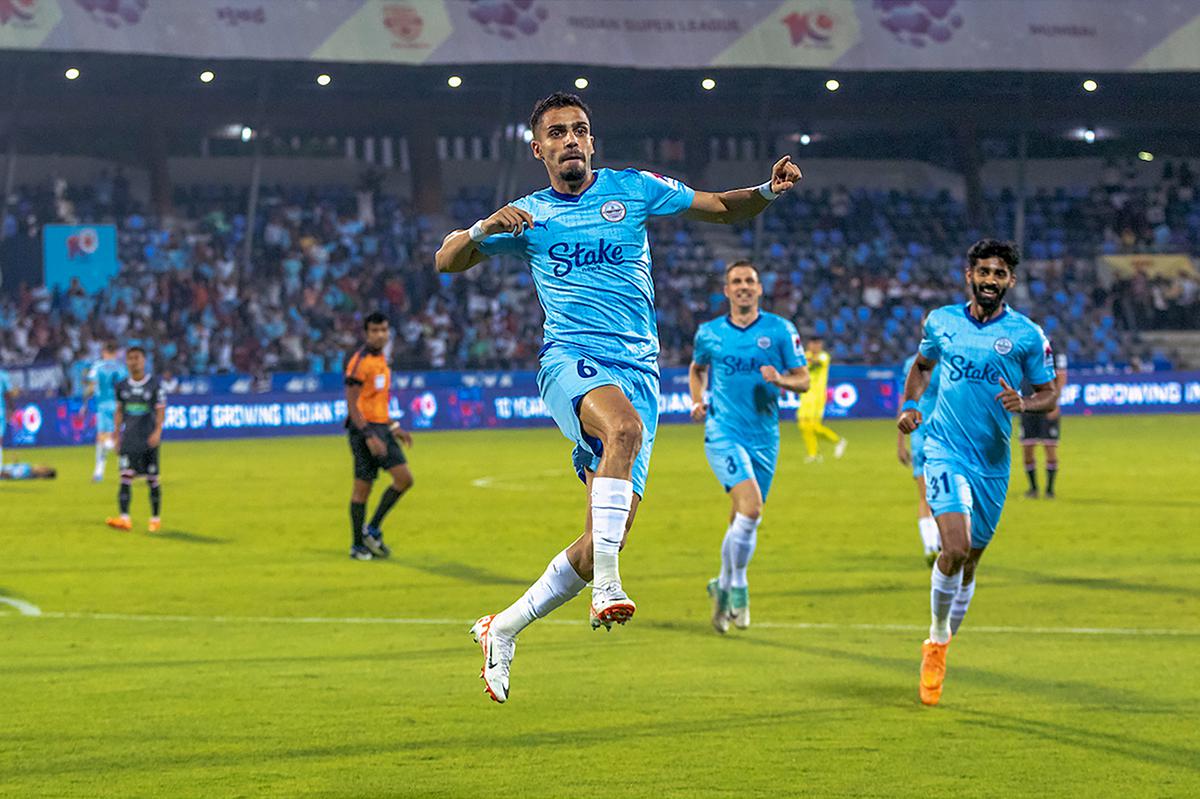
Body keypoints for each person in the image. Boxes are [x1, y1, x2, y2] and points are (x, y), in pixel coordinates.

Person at [435, 91, 801, 703]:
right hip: (570, 364)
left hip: (639, 373)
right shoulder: (525, 215)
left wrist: (766, 191)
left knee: (605, 534)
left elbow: (718, 208)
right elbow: (447, 261)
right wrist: (483, 227)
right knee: (623, 434)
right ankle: (608, 585)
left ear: (592, 141)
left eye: (580, 130)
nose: (571, 140)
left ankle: (502, 628)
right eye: (557, 133)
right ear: (539, 149)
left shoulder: (632, 189)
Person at [897, 239, 1058, 706]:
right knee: (955, 547)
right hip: (944, 449)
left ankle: (942, 644)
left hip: (992, 461)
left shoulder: (1027, 335)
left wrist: (1026, 403)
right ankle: (936, 639)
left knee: (971, 563)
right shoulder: (941, 322)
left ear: (1010, 281)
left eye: (999, 274)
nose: (991, 280)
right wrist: (909, 405)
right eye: (983, 271)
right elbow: (922, 367)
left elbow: (1048, 392)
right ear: (969, 275)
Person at [689, 260, 809, 634]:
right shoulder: (709, 333)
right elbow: (697, 368)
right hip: (723, 431)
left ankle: (721, 587)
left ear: (759, 289)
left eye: (749, 281)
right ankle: (739, 586)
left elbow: (804, 380)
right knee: (751, 507)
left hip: (764, 438)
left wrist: (781, 380)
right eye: (736, 281)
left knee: (743, 514)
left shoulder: (779, 330)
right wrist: (697, 399)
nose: (743, 286)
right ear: (726, 290)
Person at [344, 312, 414, 561]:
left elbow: (379, 401)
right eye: (375, 331)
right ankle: (356, 545)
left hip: (382, 429)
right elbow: (353, 405)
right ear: (366, 333)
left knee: (404, 479)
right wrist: (368, 436)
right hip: (363, 431)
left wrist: (394, 426)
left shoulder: (382, 360)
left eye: (384, 330)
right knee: (362, 489)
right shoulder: (359, 361)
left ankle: (371, 530)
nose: (380, 335)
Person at [106, 347, 167, 533]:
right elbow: (119, 412)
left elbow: (160, 410)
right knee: (125, 477)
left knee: (152, 479)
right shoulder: (122, 386)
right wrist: (116, 434)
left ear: (144, 360)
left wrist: (157, 431)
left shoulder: (154, 385)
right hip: (129, 440)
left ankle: (155, 519)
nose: (134, 362)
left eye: (137, 358)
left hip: (147, 438)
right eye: (130, 358)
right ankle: (125, 519)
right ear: (127, 362)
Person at [898, 339, 943, 565]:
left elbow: (904, 402)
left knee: (929, 496)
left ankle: (932, 546)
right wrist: (900, 441)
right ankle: (934, 545)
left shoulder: (912, 363)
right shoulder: (948, 362)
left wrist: (900, 442)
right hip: (933, 434)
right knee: (936, 495)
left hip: (928, 433)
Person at [1021, 347, 1068, 498]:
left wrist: (1054, 402)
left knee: (1050, 448)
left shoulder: (1052, 350)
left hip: (1046, 406)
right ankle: (1033, 489)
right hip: (1028, 407)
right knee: (1027, 449)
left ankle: (1049, 490)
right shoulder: (1021, 350)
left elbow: (1061, 377)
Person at [797, 336, 847, 462]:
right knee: (803, 425)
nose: (815, 346)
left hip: (818, 397)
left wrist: (806, 360)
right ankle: (813, 454)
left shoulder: (824, 357)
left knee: (813, 425)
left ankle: (838, 440)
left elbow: (816, 364)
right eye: (813, 344)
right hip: (805, 394)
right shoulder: (804, 355)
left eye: (818, 344)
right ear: (809, 345)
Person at [83, 341, 127, 482]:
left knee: (102, 438)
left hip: (102, 405)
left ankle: (99, 472)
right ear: (115, 353)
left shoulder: (97, 366)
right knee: (119, 435)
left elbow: (91, 386)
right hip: (118, 406)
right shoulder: (121, 368)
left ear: (104, 352)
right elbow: (125, 387)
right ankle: (124, 470)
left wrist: (84, 403)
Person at [0, 366, 15, 465]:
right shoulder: (3, 375)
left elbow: (8, 394)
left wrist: (11, 408)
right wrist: (11, 408)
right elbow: (8, 394)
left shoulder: (3, 375)